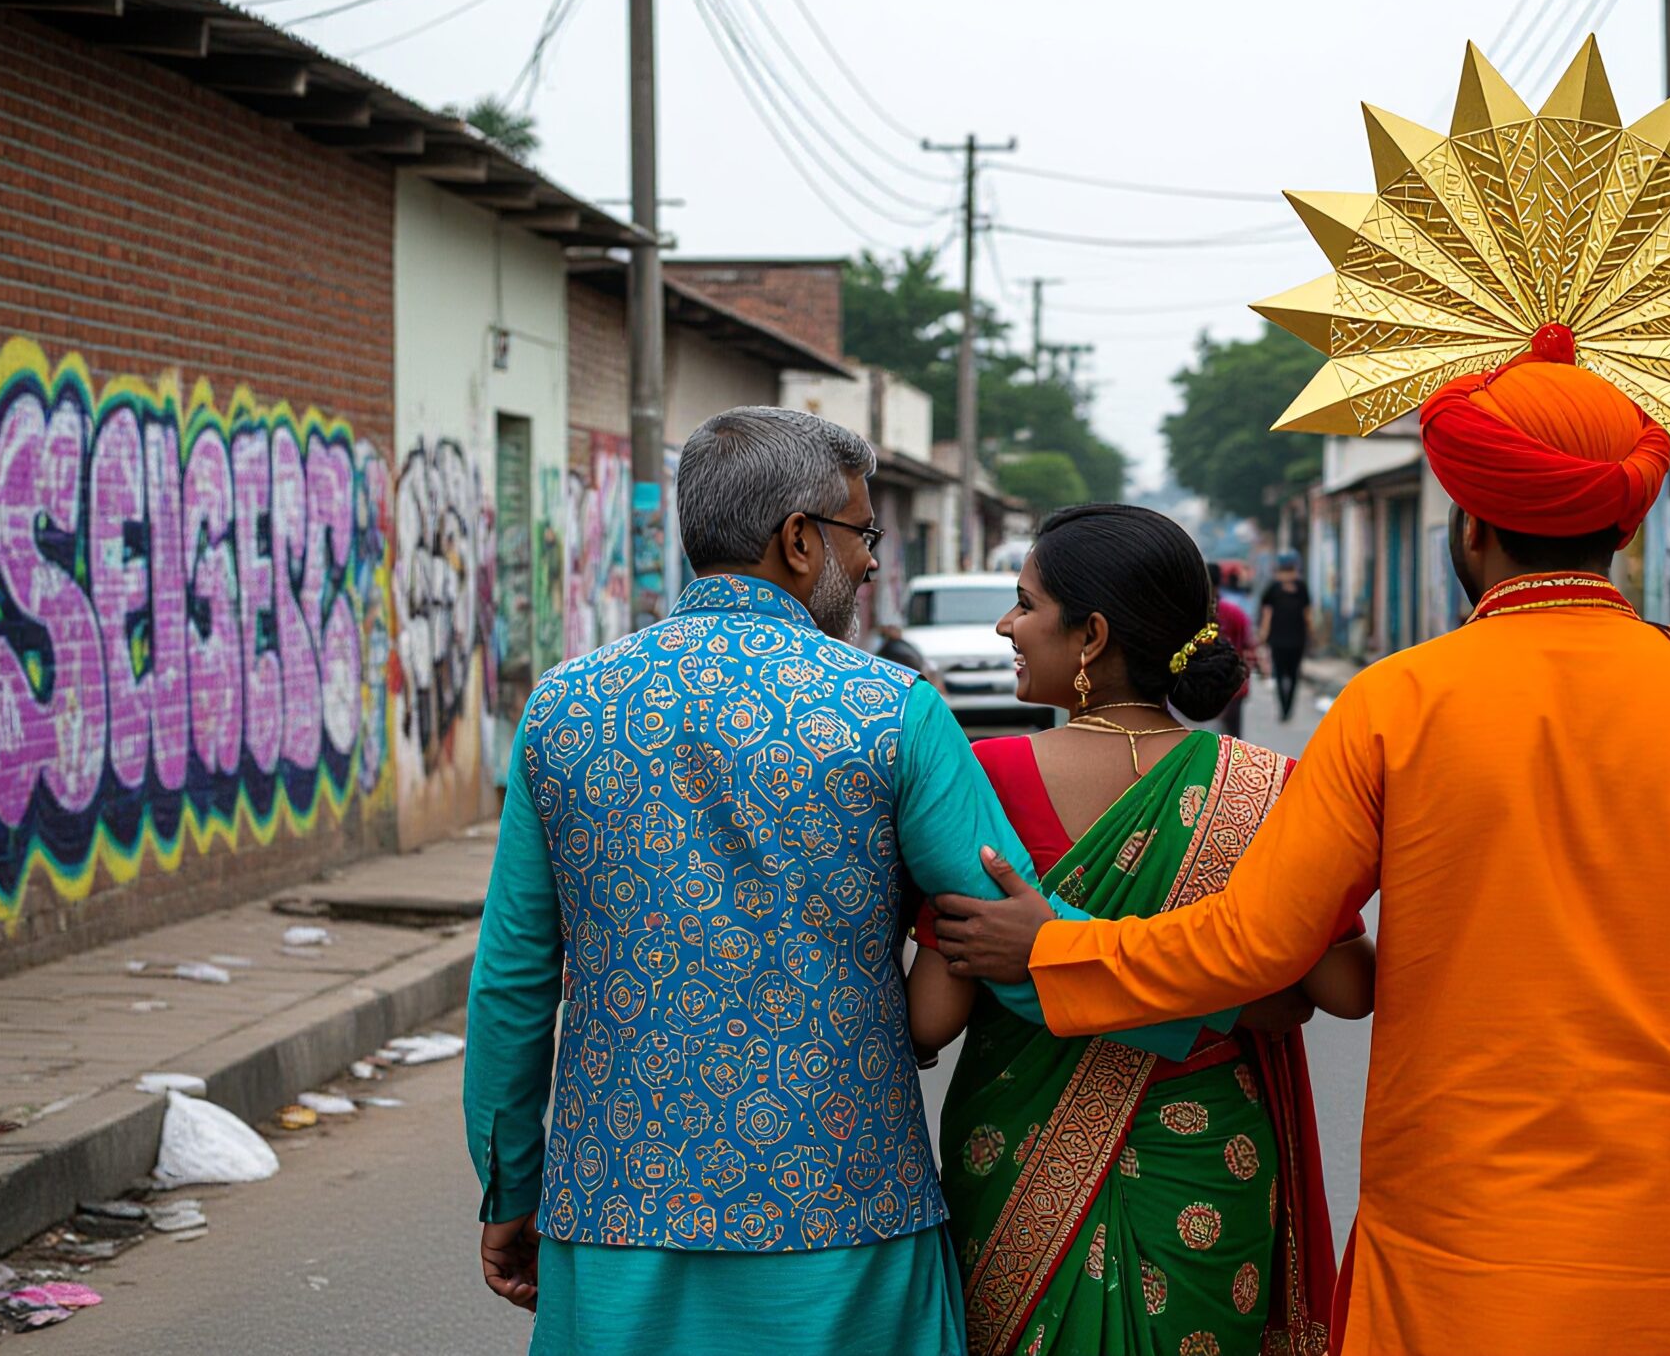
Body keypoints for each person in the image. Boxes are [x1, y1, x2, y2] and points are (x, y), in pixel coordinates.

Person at [935, 341, 1670, 1355]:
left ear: (1468, 524)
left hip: (1453, 1239)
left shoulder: (1398, 703)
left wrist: (1055, 947)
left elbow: (1254, 944)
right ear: (1624, 523)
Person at [462, 407, 1207, 1356]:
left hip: (614, 1211)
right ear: (798, 540)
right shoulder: (891, 710)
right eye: (864, 534)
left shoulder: (563, 708)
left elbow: (513, 978)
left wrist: (511, 1182)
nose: (871, 564)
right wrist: (1213, 997)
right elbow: (1013, 932)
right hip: (846, 1211)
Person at [908, 503, 1373, 1356]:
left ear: (1091, 636)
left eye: (1025, 603)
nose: (1007, 625)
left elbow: (934, 1016)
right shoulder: (1267, 789)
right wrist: (1239, 994)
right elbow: (1340, 988)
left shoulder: (986, 778)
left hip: (1015, 1158)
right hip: (1207, 1162)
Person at [1257, 552, 1314, 722]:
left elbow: (1307, 614)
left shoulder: (1299, 588)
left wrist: (1263, 635)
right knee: (1285, 674)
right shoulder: (1275, 589)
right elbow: (1267, 614)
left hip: (1293, 639)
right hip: (1282, 640)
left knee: (1289, 674)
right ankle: (1285, 708)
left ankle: (1286, 708)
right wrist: (1263, 634)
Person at [1204, 565, 1258, 738]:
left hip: (1229, 688)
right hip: (1222, 687)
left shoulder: (1232, 613)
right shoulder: (1234, 612)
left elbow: (1248, 646)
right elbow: (1249, 646)